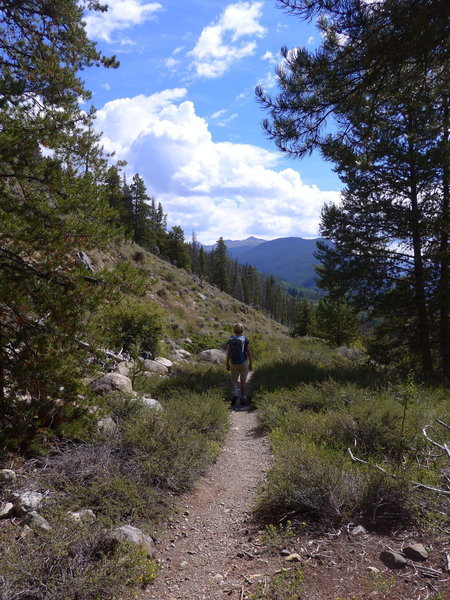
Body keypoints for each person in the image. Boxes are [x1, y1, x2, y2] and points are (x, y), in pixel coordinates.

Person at [226, 322, 253, 410]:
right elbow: (248, 352)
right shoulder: (245, 339)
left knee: (234, 380)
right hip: (243, 362)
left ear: (234, 330)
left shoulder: (231, 339)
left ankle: (234, 393)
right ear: (242, 330)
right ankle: (243, 397)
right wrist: (251, 363)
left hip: (233, 363)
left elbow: (229, 353)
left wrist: (227, 363)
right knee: (243, 381)